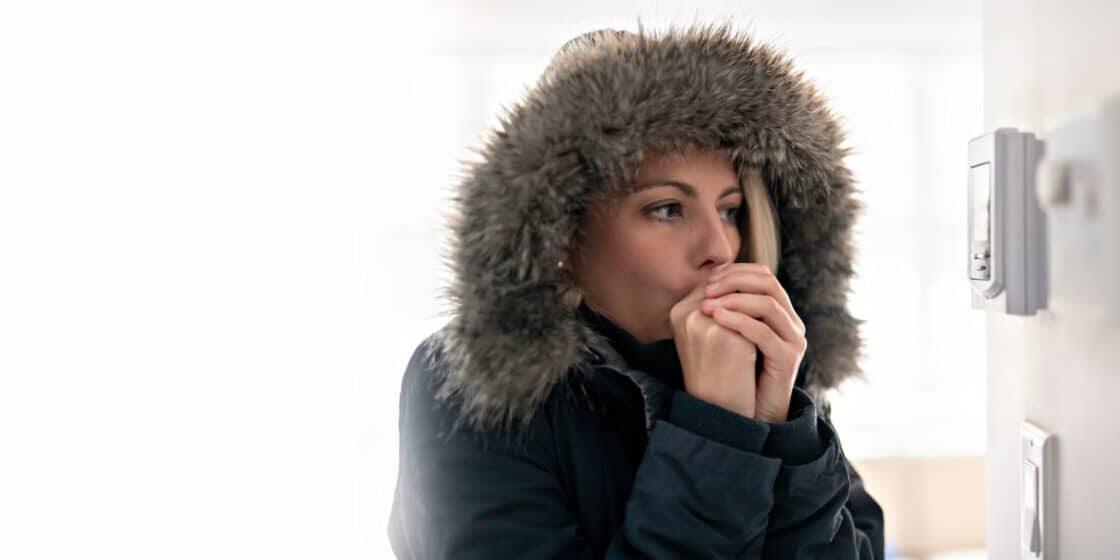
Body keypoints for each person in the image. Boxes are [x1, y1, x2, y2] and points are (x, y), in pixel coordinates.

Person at [388, 22, 885, 559]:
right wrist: (717, 433)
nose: (719, 247)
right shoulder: (473, 384)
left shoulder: (767, 366)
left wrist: (780, 428)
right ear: (565, 236)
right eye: (666, 209)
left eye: (730, 210)